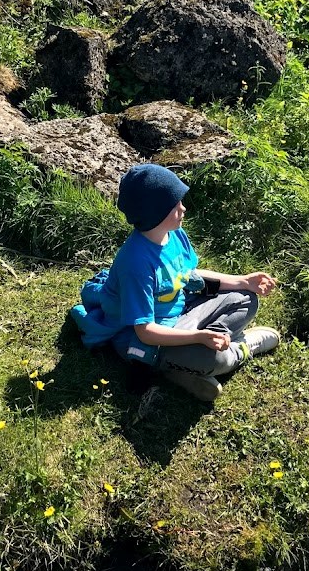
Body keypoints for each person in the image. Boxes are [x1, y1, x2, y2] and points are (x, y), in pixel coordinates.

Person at [92, 163, 280, 402]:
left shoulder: (173, 234)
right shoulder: (136, 264)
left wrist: (244, 281)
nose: (183, 208)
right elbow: (145, 331)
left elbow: (189, 275)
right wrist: (198, 337)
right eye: (175, 204)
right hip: (145, 339)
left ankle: (187, 363)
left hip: (181, 313)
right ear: (155, 213)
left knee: (246, 298)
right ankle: (242, 347)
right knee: (218, 360)